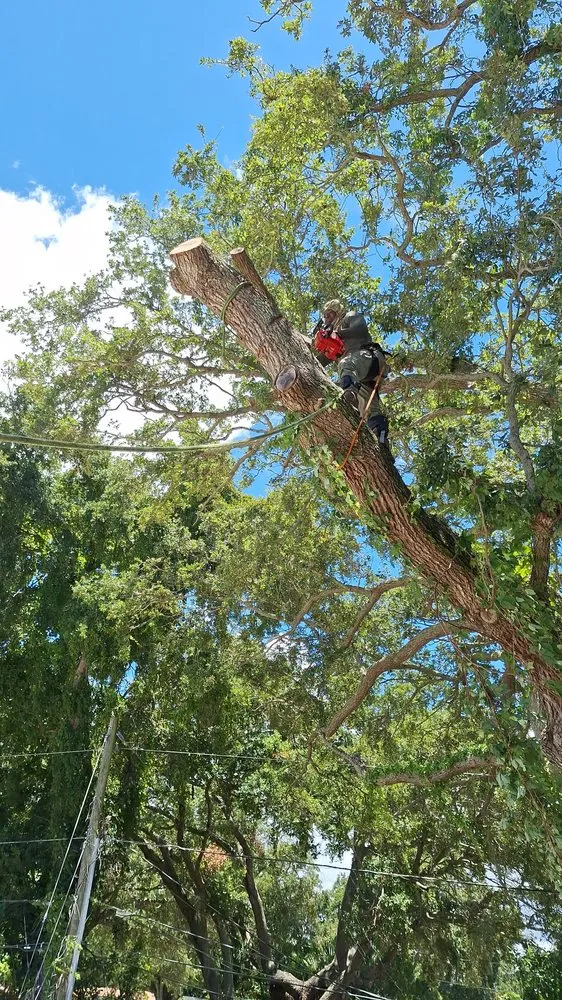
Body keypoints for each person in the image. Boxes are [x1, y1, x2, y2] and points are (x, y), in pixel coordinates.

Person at [312, 301, 390, 449]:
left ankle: (349, 391)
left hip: (368, 357)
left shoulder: (349, 317)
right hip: (364, 375)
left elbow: (360, 329)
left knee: (345, 364)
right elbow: (322, 360)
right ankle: (381, 439)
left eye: (330, 313)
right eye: (325, 315)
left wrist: (336, 334)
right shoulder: (334, 339)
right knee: (368, 409)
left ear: (337, 312)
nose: (327, 317)